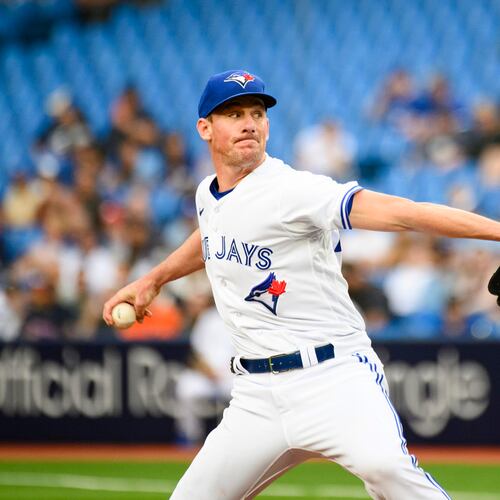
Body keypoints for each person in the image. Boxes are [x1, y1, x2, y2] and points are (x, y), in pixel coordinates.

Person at [103, 70, 500, 499]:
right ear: (205, 128)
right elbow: (210, 234)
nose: (249, 123)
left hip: (333, 377)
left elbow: (404, 212)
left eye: (257, 113)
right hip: (256, 395)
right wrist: (154, 278)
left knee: (387, 471)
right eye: (233, 114)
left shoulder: (292, 191)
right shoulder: (208, 194)